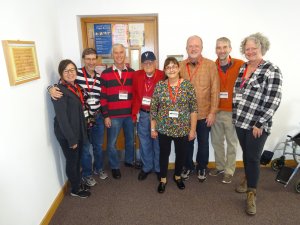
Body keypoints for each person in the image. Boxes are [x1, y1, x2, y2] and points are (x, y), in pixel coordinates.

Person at [233, 33, 282, 215]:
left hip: (257, 124)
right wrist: (235, 117)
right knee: (247, 154)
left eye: (254, 48)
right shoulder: (243, 68)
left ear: (262, 48)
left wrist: (260, 123)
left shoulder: (271, 70)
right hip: (240, 121)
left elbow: (274, 100)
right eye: (247, 49)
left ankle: (251, 194)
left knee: (253, 158)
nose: (250, 51)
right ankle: (248, 177)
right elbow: (238, 93)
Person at [49, 48, 108, 187]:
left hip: (97, 117)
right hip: (83, 120)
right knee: (85, 149)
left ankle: (98, 168)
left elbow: (103, 98)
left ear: (97, 60)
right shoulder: (75, 73)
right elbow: (59, 85)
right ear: (83, 59)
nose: (91, 62)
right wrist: (50, 88)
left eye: (94, 59)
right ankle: (87, 174)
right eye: (88, 59)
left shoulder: (100, 78)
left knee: (98, 146)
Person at [150, 57, 198, 193]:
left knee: (181, 154)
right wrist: (153, 128)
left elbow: (193, 109)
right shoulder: (160, 86)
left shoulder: (187, 86)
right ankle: (163, 179)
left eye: (173, 66)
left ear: (178, 68)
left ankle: (177, 176)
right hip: (164, 128)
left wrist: (192, 130)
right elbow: (153, 109)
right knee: (164, 154)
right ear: (165, 70)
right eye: (168, 67)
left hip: (182, 128)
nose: (171, 69)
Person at [180, 35, 219, 182]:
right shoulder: (180, 65)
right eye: (190, 46)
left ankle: (202, 166)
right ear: (186, 48)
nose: (193, 48)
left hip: (204, 113)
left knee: (203, 142)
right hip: (185, 114)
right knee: (187, 142)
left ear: (201, 48)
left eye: (196, 46)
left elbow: (215, 90)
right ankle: (187, 165)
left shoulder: (210, 65)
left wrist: (213, 112)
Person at [51, 59, 91, 198]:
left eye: (72, 70)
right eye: (66, 71)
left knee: (77, 160)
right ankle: (75, 189)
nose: (70, 73)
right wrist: (72, 139)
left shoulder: (76, 87)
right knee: (72, 161)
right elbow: (62, 119)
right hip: (68, 134)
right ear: (61, 74)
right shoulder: (58, 91)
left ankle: (78, 182)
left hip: (78, 130)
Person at [209, 37, 244, 184]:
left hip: (232, 111)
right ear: (215, 50)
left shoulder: (240, 65)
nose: (221, 50)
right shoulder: (211, 66)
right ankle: (220, 166)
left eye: (224, 47)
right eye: (219, 47)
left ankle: (229, 170)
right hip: (216, 110)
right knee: (216, 141)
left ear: (230, 48)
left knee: (231, 142)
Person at [100, 43, 135, 179]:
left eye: (121, 52)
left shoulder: (132, 72)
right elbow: (102, 97)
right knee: (112, 143)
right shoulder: (105, 74)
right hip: (113, 116)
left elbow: (136, 94)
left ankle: (129, 160)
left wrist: (135, 112)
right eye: (116, 53)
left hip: (129, 115)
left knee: (130, 139)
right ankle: (114, 166)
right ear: (112, 55)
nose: (119, 55)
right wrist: (106, 116)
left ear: (125, 54)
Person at [132, 51, 165, 181]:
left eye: (150, 62)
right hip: (143, 114)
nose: (148, 64)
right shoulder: (137, 75)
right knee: (144, 142)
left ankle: (157, 168)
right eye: (145, 62)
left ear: (155, 62)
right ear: (142, 64)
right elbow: (134, 95)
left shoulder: (163, 75)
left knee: (157, 142)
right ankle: (146, 168)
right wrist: (134, 113)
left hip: (158, 115)